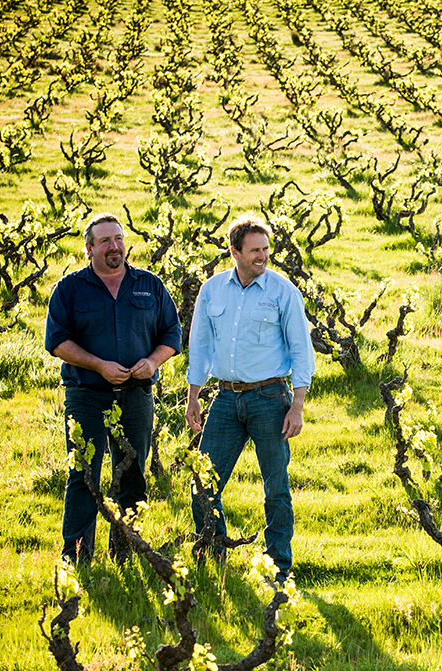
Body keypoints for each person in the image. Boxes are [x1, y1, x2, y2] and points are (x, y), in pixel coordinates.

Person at [45, 212, 181, 563]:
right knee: (83, 473)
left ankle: (124, 550)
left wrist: (152, 362)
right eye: (105, 241)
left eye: (118, 238)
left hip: (136, 397)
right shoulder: (70, 288)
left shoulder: (149, 285)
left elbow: (171, 334)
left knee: (133, 472)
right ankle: (77, 556)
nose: (114, 246)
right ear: (89, 249)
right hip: (86, 395)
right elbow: (57, 341)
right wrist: (99, 366)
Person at [185, 213, 315, 579]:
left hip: (271, 399)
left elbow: (301, 350)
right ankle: (214, 553)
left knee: (276, 487)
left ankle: (278, 566)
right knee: (203, 481)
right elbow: (200, 345)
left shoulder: (282, 291)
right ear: (234, 252)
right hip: (225, 399)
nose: (263, 256)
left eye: (266, 249)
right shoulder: (212, 290)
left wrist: (297, 406)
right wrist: (193, 397)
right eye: (255, 250)